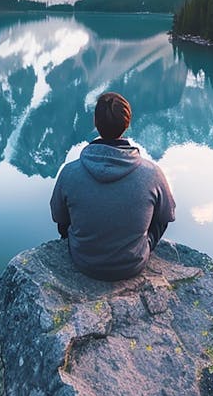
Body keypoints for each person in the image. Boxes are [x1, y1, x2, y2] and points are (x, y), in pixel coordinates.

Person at [50, 91, 175, 280]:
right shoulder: (152, 173)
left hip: (83, 262)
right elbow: (168, 215)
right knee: (158, 214)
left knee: (68, 215)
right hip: (132, 265)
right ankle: (133, 246)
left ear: (95, 122)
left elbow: (58, 217)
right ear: (127, 123)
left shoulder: (70, 172)